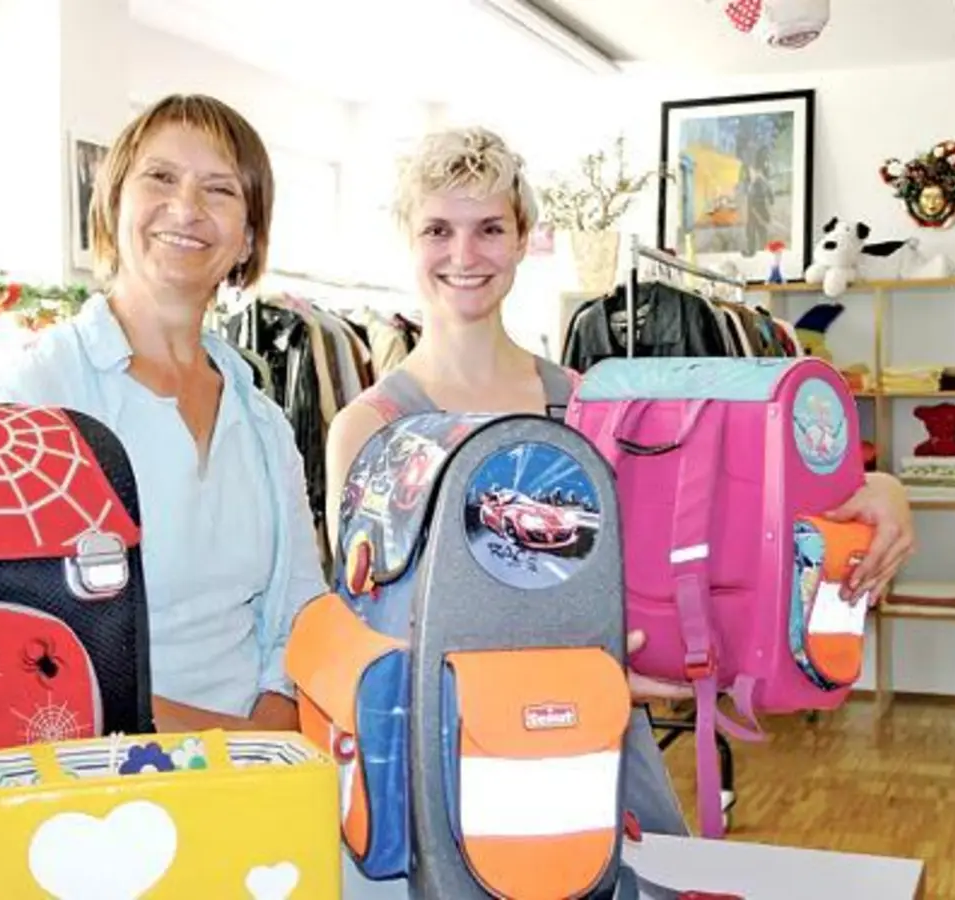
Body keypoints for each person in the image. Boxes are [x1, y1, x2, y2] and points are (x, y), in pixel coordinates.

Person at [323, 126, 918, 838]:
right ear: (407, 238)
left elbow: (741, 499)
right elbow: (374, 637)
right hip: (453, 764)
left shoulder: (595, 404)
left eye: (489, 228)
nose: (464, 255)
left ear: (522, 238)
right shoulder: (371, 429)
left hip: (602, 751)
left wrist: (879, 493)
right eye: (437, 230)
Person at [0, 94, 326, 733]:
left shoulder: (261, 419)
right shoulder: (39, 394)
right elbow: (14, 633)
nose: (186, 208)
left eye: (219, 189)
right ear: (113, 202)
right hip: (99, 778)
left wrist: (269, 735)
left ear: (248, 236)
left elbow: (301, 609)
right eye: (161, 177)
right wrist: (221, 745)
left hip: (261, 776)